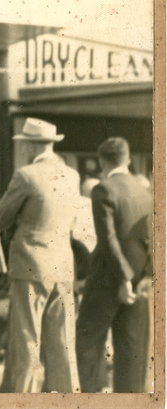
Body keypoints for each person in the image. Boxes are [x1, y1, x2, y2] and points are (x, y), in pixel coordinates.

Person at [0, 118, 81, 393]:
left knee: (27, 340)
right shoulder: (71, 175)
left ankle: (25, 398)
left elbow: (1, 218)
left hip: (30, 265)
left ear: (31, 145)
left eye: (24, 145)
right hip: (63, 265)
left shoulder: (26, 175)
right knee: (63, 341)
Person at [76, 137, 153, 392]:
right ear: (128, 159)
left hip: (107, 280)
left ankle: (93, 399)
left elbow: (107, 239)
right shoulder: (145, 190)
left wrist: (123, 279)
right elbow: (156, 235)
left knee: (88, 342)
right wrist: (145, 276)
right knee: (132, 350)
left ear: (102, 161)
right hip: (139, 280)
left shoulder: (103, 189)